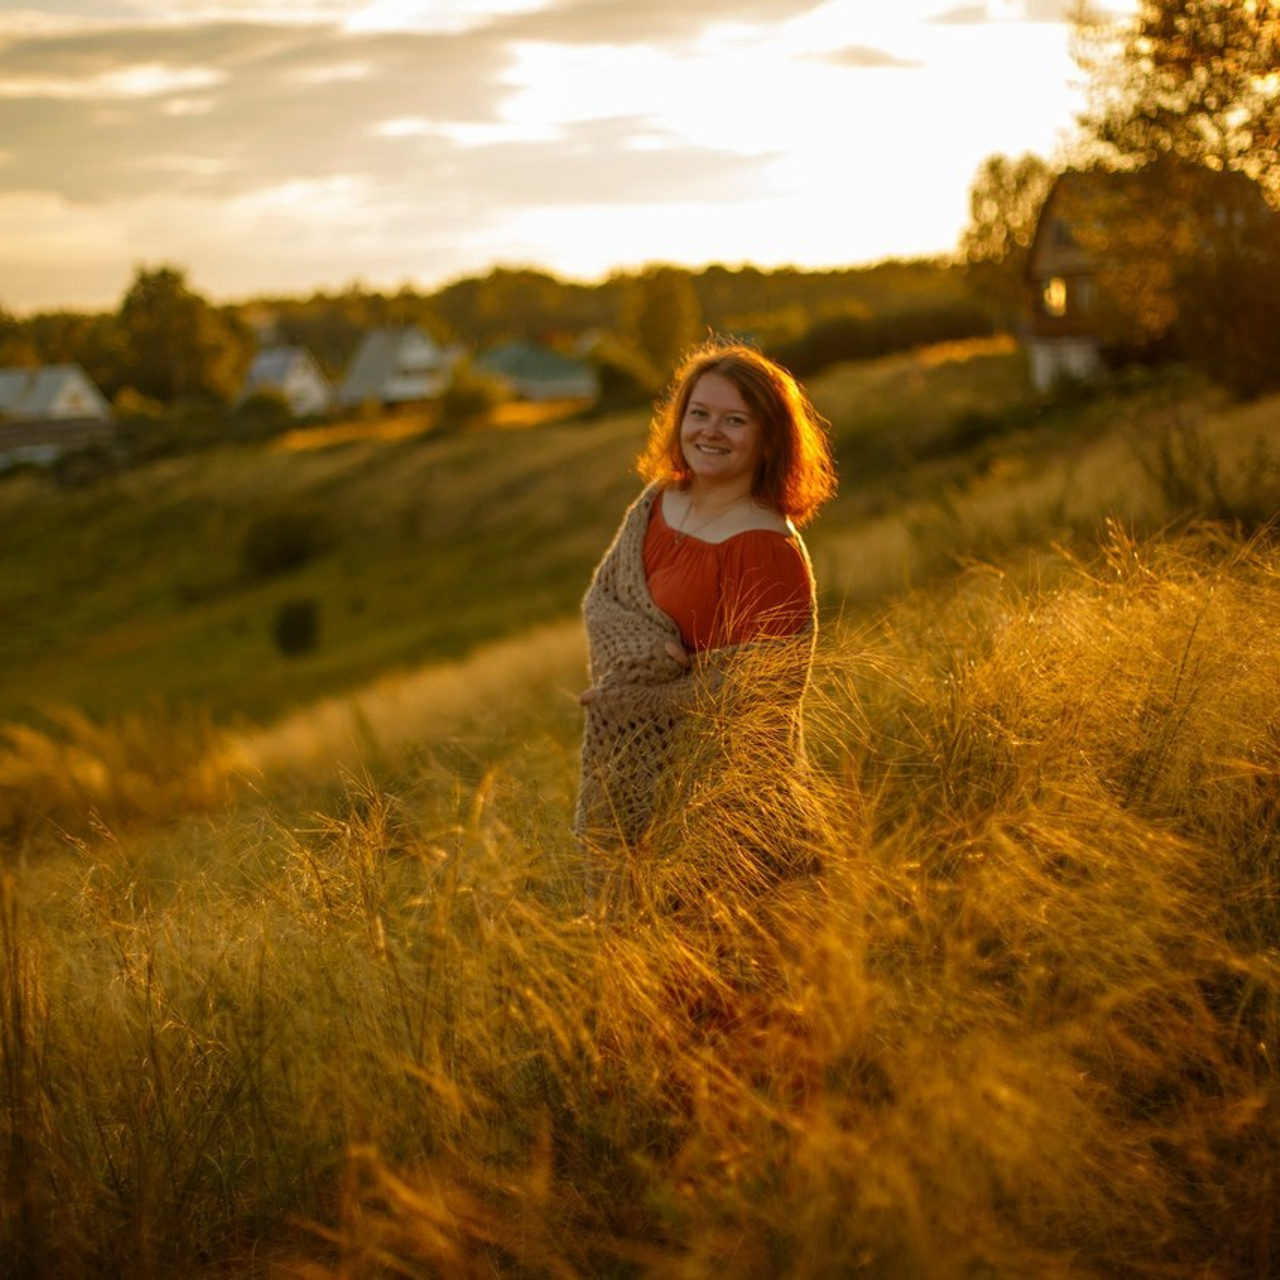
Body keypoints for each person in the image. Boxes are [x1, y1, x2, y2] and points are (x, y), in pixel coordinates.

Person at [575, 339, 836, 897]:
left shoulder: (765, 548)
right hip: (640, 796)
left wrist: (637, 702)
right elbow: (602, 602)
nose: (709, 432)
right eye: (699, 413)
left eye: (734, 420)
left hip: (725, 816)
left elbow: (760, 695)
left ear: (769, 441)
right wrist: (640, 650)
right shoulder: (657, 501)